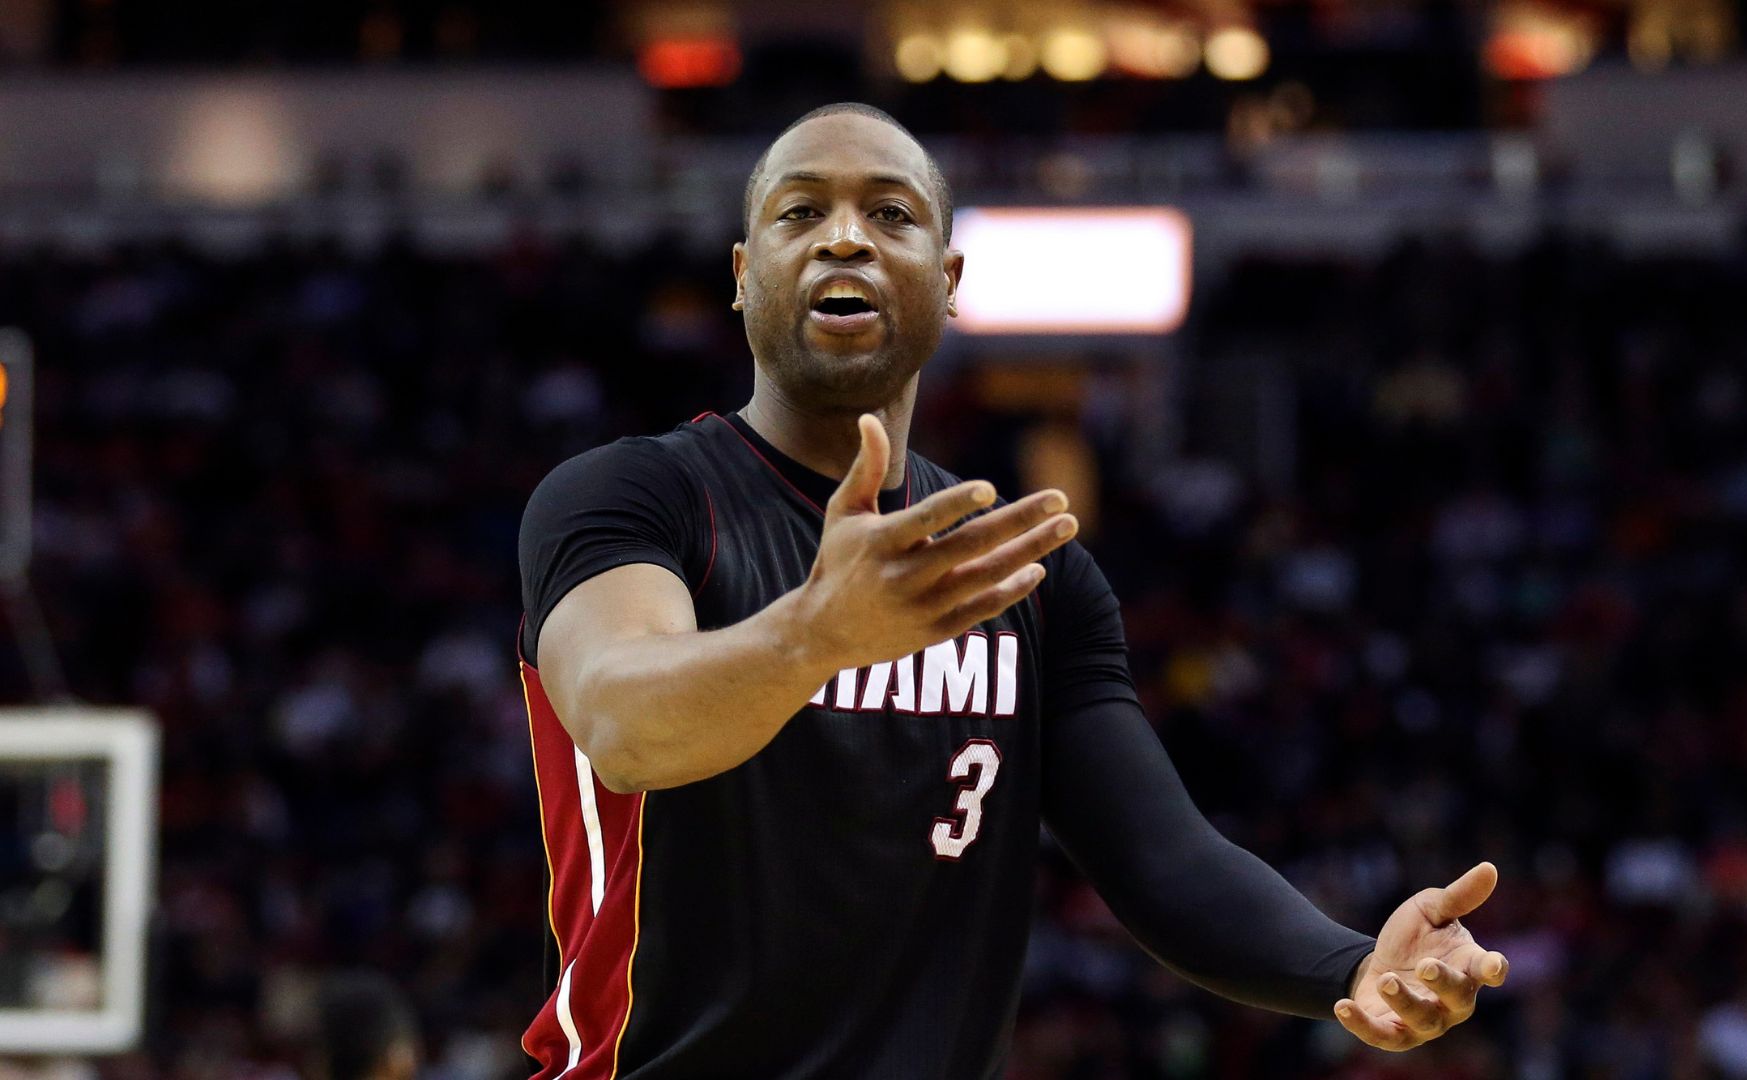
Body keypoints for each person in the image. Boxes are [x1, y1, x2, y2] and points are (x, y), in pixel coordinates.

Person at [515, 102, 1508, 1079]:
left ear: (949, 285)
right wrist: (807, 639)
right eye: (801, 212)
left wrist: (1352, 962)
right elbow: (622, 721)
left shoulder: (1029, 575)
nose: (846, 238)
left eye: (891, 214)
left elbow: (1163, 863)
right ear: (743, 277)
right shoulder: (631, 496)